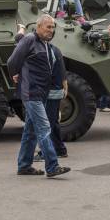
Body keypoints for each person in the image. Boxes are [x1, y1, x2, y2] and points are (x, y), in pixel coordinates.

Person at [7, 14, 72, 178]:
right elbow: (12, 61)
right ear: (39, 27)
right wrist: (15, 74)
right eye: (48, 27)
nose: (51, 30)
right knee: (44, 128)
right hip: (32, 93)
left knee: (31, 132)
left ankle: (24, 166)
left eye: (53, 28)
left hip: (41, 93)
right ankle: (52, 166)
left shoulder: (45, 45)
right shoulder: (29, 39)